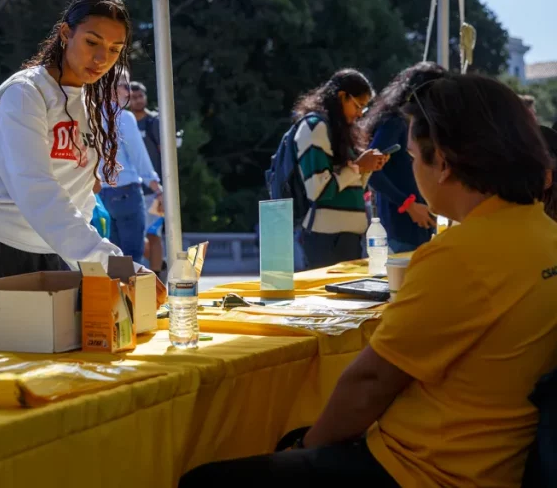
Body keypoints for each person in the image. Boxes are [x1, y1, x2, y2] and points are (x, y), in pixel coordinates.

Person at [181, 74, 557, 487]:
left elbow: (371, 382)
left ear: (445, 164)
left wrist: (309, 447)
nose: (413, 170)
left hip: (421, 468)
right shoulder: (545, 234)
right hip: (505, 460)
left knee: (206, 479)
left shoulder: (458, 255)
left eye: (413, 158)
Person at [0, 0, 129, 282]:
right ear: (65, 33)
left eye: (115, 49)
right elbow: (36, 188)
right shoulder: (25, 93)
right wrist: (114, 264)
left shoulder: (88, 104)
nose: (102, 58)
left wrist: (97, 267)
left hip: (50, 249)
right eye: (92, 42)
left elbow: (79, 196)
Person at [292, 69, 388, 268]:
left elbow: (351, 189)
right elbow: (318, 190)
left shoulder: (341, 131)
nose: (360, 113)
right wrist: (359, 166)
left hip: (349, 239)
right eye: (358, 105)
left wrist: (367, 168)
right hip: (326, 240)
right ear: (342, 96)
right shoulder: (314, 127)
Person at [362, 62, 446, 253]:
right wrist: (408, 205)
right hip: (399, 230)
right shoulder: (395, 121)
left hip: (420, 228)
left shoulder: (416, 124)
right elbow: (372, 172)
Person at [98, 71, 161, 265]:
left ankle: (115, 295)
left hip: (99, 196)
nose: (128, 91)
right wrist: (156, 187)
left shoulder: (87, 114)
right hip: (126, 193)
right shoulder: (124, 117)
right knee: (132, 257)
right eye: (124, 86)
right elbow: (138, 155)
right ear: (111, 89)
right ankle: (131, 295)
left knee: (111, 258)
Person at [130, 81, 165, 272]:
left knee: (154, 234)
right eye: (133, 97)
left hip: (154, 190)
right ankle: (148, 271)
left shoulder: (154, 122)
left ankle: (158, 274)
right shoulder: (124, 123)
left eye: (140, 96)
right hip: (131, 189)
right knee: (136, 235)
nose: (137, 100)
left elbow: (165, 154)